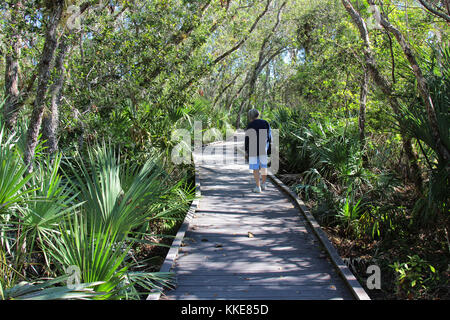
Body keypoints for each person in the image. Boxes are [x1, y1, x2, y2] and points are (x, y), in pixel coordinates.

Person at [244, 108, 272, 193]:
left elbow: (247, 139)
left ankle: (258, 187)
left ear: (250, 116)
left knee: (255, 168)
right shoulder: (265, 123)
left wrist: (246, 151)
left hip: (253, 149)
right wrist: (269, 148)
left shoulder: (250, 125)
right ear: (258, 114)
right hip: (263, 148)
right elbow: (269, 137)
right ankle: (264, 184)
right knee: (264, 166)